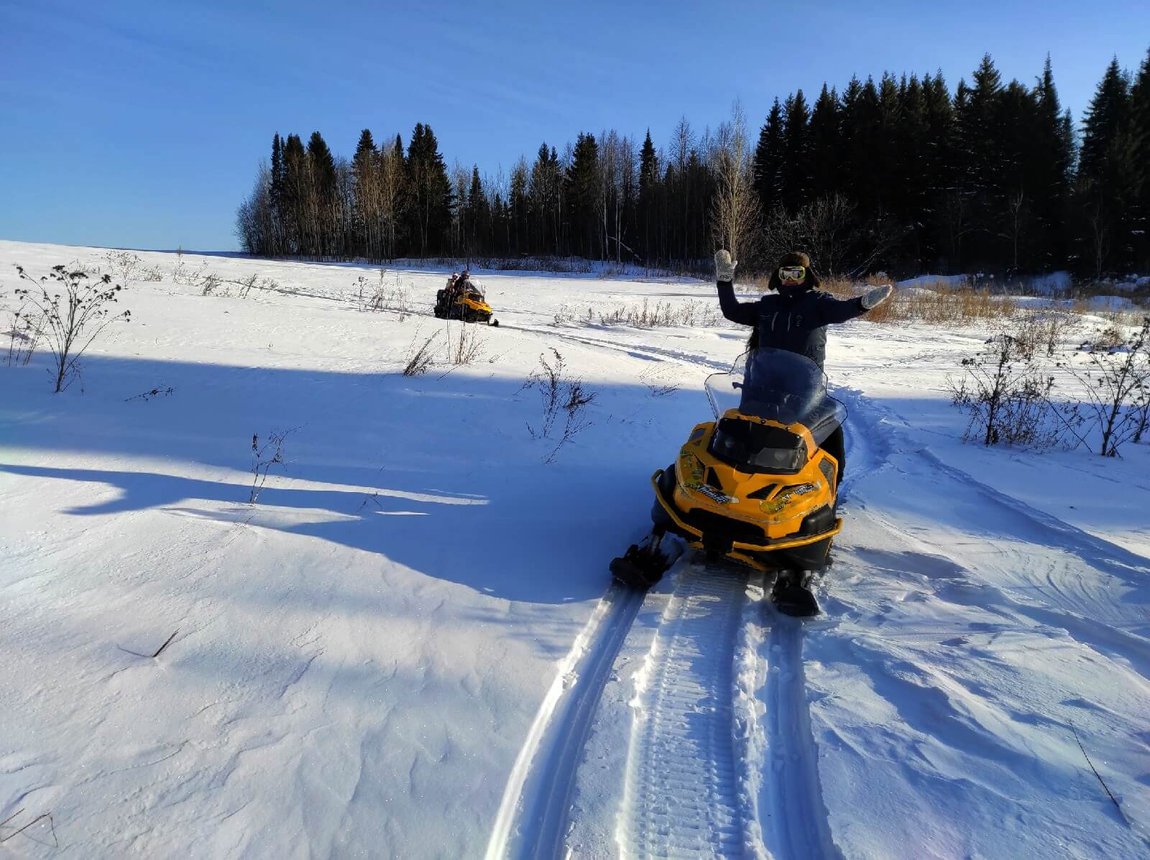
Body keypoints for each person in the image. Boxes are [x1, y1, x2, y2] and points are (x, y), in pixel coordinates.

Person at [713, 248, 893, 481]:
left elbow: (841, 311)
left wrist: (862, 304)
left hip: (804, 386)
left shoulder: (818, 303)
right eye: (785, 274)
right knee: (747, 429)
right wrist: (724, 281)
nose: (789, 280)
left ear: (806, 276)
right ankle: (736, 477)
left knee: (828, 430)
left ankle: (829, 485)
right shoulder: (768, 305)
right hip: (764, 382)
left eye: (796, 274)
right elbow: (732, 311)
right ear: (777, 276)